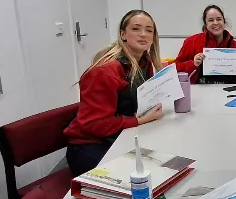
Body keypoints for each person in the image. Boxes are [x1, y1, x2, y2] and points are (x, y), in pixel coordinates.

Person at [64, 10, 164, 176]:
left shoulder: (144, 63)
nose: (143, 34)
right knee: (143, 176)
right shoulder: (105, 71)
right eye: (136, 29)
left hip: (120, 137)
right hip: (89, 146)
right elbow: (92, 125)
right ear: (123, 34)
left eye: (149, 30)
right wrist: (139, 120)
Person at [174, 5, 236, 84]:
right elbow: (176, 67)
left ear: (224, 21)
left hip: (226, 90)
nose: (215, 23)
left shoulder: (234, 45)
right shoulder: (192, 42)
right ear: (205, 24)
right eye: (211, 20)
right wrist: (193, 63)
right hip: (199, 90)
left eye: (219, 19)